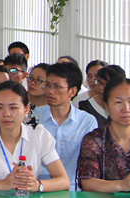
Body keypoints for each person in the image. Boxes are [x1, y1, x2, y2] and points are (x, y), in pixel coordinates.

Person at [33, 62, 97, 191]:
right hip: (38, 186)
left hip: (73, 190)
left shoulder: (87, 122)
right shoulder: (34, 118)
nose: (50, 91)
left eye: (57, 87)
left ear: (72, 91)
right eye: (48, 85)